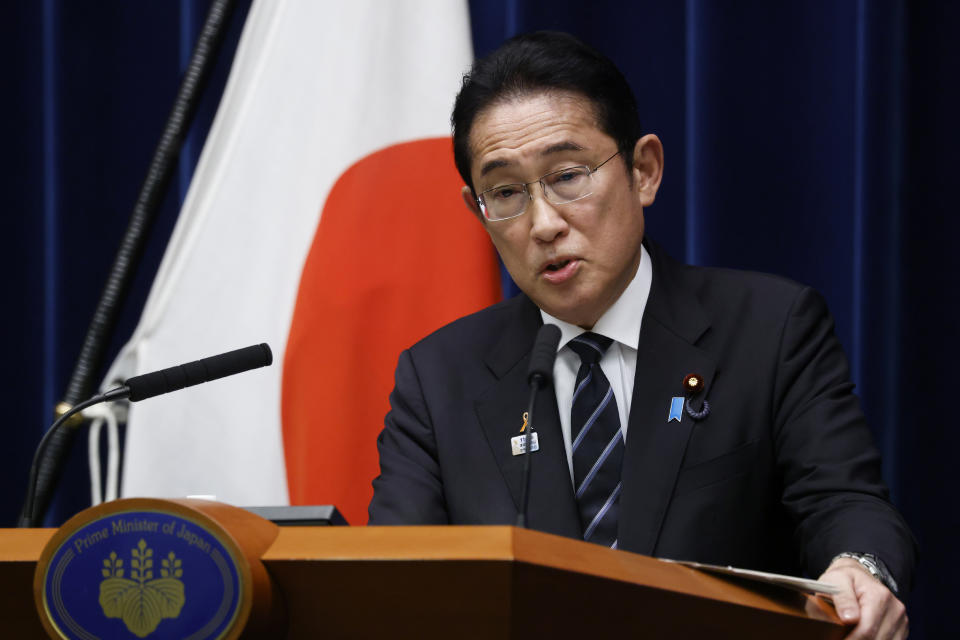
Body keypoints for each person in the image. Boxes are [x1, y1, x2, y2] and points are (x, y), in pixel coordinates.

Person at [368, 31, 916, 639]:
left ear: (644, 171)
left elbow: (843, 501)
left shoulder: (771, 329)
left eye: (569, 176)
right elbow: (397, 579)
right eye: (505, 193)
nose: (544, 223)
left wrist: (858, 567)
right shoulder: (437, 378)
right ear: (478, 212)